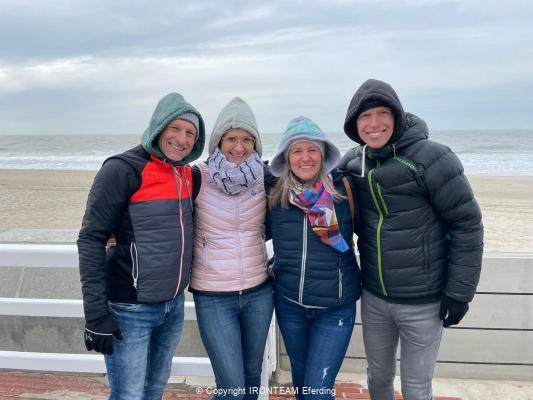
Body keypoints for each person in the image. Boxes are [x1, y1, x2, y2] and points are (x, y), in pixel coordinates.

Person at [338, 79, 484, 400]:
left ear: (397, 116)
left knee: (416, 389)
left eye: (383, 113)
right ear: (354, 123)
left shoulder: (433, 157)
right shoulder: (353, 162)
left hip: (424, 301)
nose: (374, 123)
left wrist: (460, 292)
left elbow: (467, 225)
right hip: (373, 296)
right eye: (365, 116)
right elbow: (319, 191)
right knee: (377, 378)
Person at [77, 92, 205, 399]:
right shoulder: (122, 169)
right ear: (158, 127)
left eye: (190, 133)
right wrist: (96, 315)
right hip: (129, 309)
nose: (182, 139)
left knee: (154, 391)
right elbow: (91, 238)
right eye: (175, 128)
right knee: (128, 395)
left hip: (173, 306)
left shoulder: (188, 174)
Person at [266, 116, 361, 399]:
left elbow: (376, 236)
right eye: (297, 151)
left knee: (318, 391)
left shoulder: (346, 188)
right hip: (289, 304)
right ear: (286, 157)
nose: (305, 158)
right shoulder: (276, 194)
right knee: (302, 383)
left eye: (312, 150)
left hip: (336, 308)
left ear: (324, 154)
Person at [188, 97, 274, 399]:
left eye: (247, 139)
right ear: (218, 141)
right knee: (232, 388)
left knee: (251, 379)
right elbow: (162, 212)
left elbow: (302, 195)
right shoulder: (197, 176)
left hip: (259, 292)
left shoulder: (265, 177)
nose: (240, 147)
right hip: (213, 296)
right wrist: (119, 232)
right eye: (232, 139)